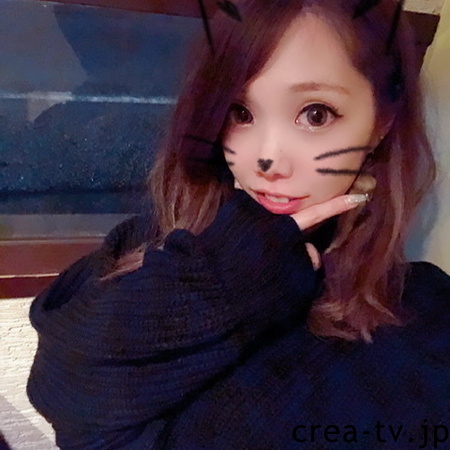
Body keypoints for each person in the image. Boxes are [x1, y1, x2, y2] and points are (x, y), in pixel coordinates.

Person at [27, 0, 450, 448]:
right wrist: (237, 269)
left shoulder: (425, 316)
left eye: (316, 114)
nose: (267, 160)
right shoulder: (156, 243)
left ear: (381, 122)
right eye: (240, 113)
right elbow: (67, 398)